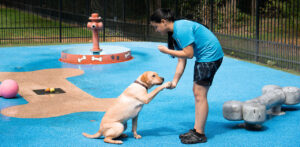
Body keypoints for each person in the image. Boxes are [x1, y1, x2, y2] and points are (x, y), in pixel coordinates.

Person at [150, 8, 224, 144]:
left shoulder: (181, 29)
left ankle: (200, 134)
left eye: (156, 27)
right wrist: (175, 81)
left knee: (199, 94)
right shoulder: (175, 33)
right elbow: (181, 60)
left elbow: (188, 54)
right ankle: (196, 130)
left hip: (210, 56)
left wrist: (167, 51)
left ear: (163, 21)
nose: (156, 30)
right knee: (197, 93)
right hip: (205, 57)